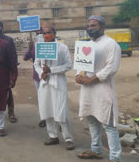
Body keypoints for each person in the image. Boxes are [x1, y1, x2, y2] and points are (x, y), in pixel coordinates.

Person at [76, 16, 122, 162]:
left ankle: (115, 157)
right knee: (92, 121)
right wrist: (78, 75)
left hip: (103, 89)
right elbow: (80, 65)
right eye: (88, 26)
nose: (90, 28)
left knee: (109, 125)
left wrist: (93, 78)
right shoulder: (86, 45)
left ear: (102, 27)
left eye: (93, 25)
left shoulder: (111, 44)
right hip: (87, 91)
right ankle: (96, 150)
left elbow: (112, 67)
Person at [34, 24, 75, 150]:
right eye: (44, 33)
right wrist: (42, 73)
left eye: (49, 32)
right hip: (45, 83)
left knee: (61, 111)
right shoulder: (40, 48)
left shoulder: (62, 47)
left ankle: (68, 139)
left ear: (54, 33)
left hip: (58, 83)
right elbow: (36, 63)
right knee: (47, 110)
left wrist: (52, 70)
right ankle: (53, 136)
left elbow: (68, 65)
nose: (46, 35)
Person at [0, 21, 18, 123]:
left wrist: (13, 73)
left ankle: (11, 112)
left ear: (2, 29)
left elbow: (14, 56)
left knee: (8, 91)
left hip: (7, 70)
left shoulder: (8, 40)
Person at [23, 28, 46, 128]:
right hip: (37, 76)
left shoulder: (53, 46)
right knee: (41, 98)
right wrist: (29, 48)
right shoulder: (34, 46)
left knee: (52, 98)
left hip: (50, 76)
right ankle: (44, 118)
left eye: (42, 32)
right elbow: (25, 58)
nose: (40, 34)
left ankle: (56, 119)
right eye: (38, 33)